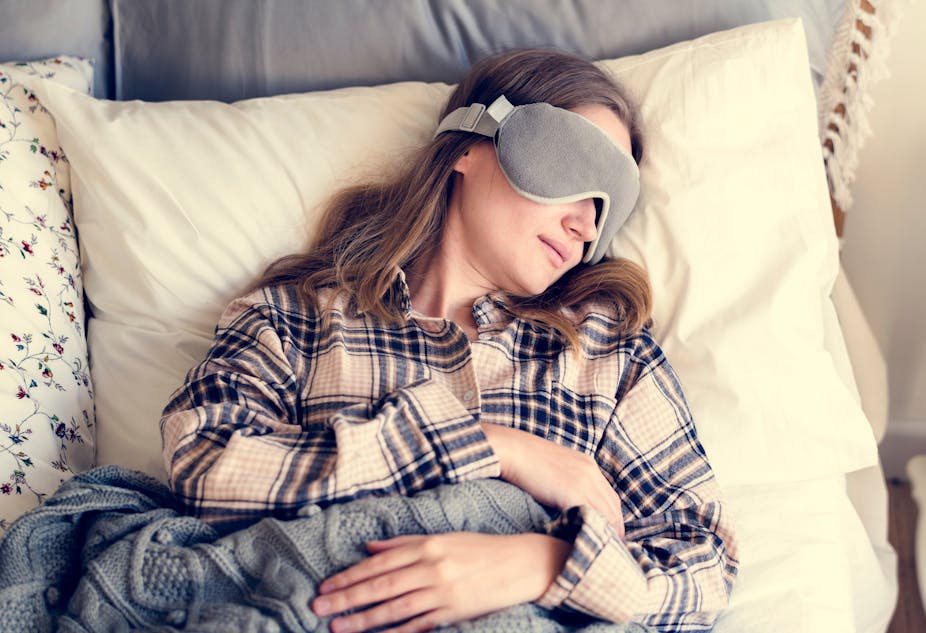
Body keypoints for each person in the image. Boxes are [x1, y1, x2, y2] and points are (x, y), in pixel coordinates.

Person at [160, 48, 738, 633]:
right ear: (468, 144)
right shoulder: (296, 317)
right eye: (575, 170)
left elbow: (703, 566)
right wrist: (496, 448)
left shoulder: (609, 356)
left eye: (605, 205)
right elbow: (204, 462)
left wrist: (543, 565)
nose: (586, 226)